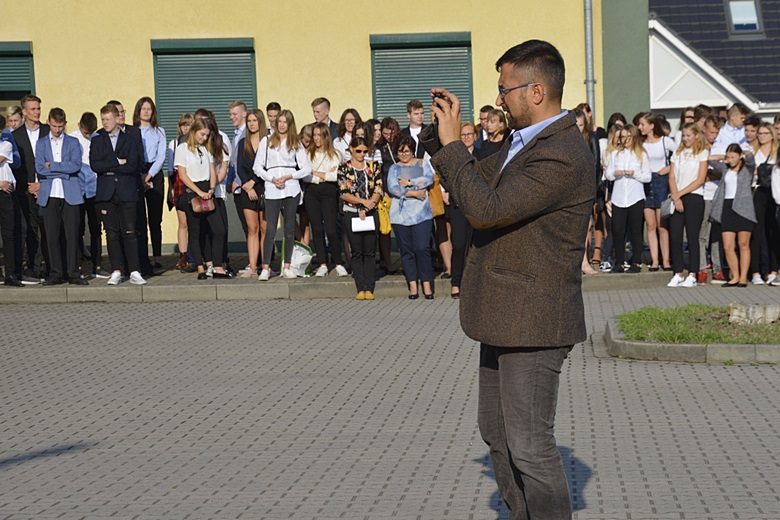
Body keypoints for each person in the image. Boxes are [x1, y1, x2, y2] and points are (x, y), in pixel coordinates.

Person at [425, 39, 595, 520]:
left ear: (536, 91)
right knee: (496, 433)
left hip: (535, 319)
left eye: (505, 90)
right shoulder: (524, 143)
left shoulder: (562, 153)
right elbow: (472, 181)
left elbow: (485, 208)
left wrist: (454, 147)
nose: (498, 99)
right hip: (503, 312)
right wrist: (444, 136)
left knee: (530, 447)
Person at [89, 104, 146, 286]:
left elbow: (133, 165)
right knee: (111, 233)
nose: (105, 123)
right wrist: (117, 162)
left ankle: (134, 270)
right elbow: (95, 165)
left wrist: (110, 166)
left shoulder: (130, 139)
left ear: (116, 119)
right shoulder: (97, 140)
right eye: (103, 119)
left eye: (108, 119)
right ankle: (116, 270)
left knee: (129, 231)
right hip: (106, 193)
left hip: (126, 191)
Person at [254, 109, 311, 281]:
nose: (282, 125)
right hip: (272, 188)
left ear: (290, 124)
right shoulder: (266, 141)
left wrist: (289, 176)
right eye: (280, 121)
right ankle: (265, 267)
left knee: (289, 228)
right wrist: (271, 178)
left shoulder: (295, 142)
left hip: (291, 188)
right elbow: (257, 167)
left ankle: (287, 266)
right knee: (270, 228)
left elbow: (306, 168)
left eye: (285, 122)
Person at [174, 118, 230, 280]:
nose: (204, 138)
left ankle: (217, 266)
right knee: (196, 231)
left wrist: (211, 188)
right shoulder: (182, 149)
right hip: (192, 191)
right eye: (202, 134)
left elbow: (212, 170)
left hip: (208, 190)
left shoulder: (205, 149)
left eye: (206, 135)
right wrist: (198, 191)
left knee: (219, 229)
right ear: (194, 131)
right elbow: (182, 175)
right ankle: (200, 266)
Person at [35, 108, 85, 286]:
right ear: (48, 122)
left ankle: (73, 272)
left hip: (70, 194)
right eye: (54, 126)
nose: (57, 130)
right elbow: (40, 168)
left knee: (72, 235)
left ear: (65, 124)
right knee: (52, 236)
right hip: (49, 194)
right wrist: (63, 170)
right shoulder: (41, 143)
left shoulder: (73, 142)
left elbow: (76, 166)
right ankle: (55, 273)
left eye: (60, 126)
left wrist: (53, 166)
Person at [386, 135, 435, 299]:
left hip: (422, 214)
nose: (404, 154)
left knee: (422, 248)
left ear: (412, 150)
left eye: (407, 151)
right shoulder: (394, 168)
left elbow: (428, 179)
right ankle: (413, 285)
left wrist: (408, 183)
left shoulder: (421, 163)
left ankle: (427, 284)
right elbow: (393, 188)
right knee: (407, 251)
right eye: (401, 151)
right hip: (400, 216)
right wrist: (414, 192)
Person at [338, 136, 382, 300]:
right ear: (351, 149)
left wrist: (369, 205)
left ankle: (369, 287)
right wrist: (362, 203)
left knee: (370, 251)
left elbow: (378, 188)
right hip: (351, 212)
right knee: (356, 251)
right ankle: (360, 287)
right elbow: (344, 193)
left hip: (371, 211)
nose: (362, 154)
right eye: (358, 151)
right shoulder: (343, 168)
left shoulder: (373, 166)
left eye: (365, 151)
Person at [12, 94, 50, 283]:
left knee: (49, 228)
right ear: (24, 112)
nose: (37, 112)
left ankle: (51, 267)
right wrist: (29, 185)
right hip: (25, 190)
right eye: (33, 109)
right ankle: (34, 267)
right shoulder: (16, 136)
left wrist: (42, 183)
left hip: (48, 187)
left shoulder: (48, 131)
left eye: (38, 108)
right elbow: (16, 165)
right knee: (31, 229)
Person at [667, 123, 709, 288]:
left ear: (696, 136)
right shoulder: (677, 153)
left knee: (692, 237)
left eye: (688, 135)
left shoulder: (702, 152)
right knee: (675, 236)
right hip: (677, 197)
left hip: (694, 197)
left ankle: (693, 273)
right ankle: (678, 272)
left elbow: (700, 179)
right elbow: (671, 176)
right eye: (683, 136)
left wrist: (680, 194)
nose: (685, 139)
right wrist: (676, 196)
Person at [709, 144, 756, 287]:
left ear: (740, 156)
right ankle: (735, 276)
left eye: (733, 157)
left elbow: (750, 158)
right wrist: (725, 158)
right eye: (728, 157)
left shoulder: (747, 168)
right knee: (728, 246)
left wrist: (743, 153)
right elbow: (710, 159)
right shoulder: (725, 168)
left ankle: (743, 277)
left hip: (743, 208)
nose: (730, 160)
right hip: (727, 207)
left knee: (743, 244)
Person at [605, 124, 651, 273]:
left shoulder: (641, 154)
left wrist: (634, 174)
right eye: (622, 137)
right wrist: (615, 173)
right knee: (618, 230)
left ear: (634, 137)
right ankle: (619, 262)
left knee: (635, 230)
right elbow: (608, 174)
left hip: (635, 197)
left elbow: (647, 177)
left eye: (628, 137)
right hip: (619, 198)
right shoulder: (615, 154)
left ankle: (636, 262)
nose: (625, 140)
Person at [305, 122, 347, 277]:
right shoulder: (307, 154)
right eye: (314, 135)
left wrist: (317, 173)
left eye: (320, 135)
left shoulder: (335, 154)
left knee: (331, 229)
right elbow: (305, 175)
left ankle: (338, 262)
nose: (317, 138)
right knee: (317, 229)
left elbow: (336, 176)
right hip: (312, 192)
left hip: (329, 192)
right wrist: (321, 176)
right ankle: (322, 263)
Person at [69, 112, 107, 278]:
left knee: (96, 229)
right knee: (78, 228)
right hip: (77, 189)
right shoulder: (71, 139)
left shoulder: (99, 138)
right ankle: (78, 265)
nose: (88, 136)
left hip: (95, 189)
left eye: (90, 133)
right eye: (86, 133)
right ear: (79, 125)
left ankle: (97, 265)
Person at [638, 112, 676, 272]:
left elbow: (678, 156)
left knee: (662, 225)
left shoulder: (665, 141)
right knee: (651, 225)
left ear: (652, 125)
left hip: (661, 182)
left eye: (643, 124)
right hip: (646, 183)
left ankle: (665, 260)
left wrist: (668, 168)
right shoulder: (640, 143)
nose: (640, 127)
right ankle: (654, 260)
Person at [133, 97, 166, 268]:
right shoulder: (132, 131)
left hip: (155, 173)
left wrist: (150, 175)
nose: (146, 112)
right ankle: (141, 257)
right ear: (138, 111)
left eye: (149, 109)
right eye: (143, 108)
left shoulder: (159, 131)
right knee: (139, 219)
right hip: (137, 172)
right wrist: (141, 175)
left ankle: (157, 257)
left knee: (155, 219)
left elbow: (161, 156)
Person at [235, 109, 268, 277]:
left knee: (264, 228)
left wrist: (253, 182)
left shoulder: (268, 141)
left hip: (265, 187)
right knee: (252, 228)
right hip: (247, 189)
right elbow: (239, 167)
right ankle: (253, 267)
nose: (251, 124)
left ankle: (265, 266)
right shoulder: (243, 143)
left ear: (260, 122)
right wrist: (247, 186)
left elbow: (267, 166)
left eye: (254, 120)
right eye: (249, 121)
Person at [750, 122, 780, 285]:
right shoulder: (753, 152)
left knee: (773, 231)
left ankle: (773, 270)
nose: (761, 136)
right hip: (758, 191)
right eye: (759, 133)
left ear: (772, 135)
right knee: (757, 232)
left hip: (774, 193)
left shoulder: (777, 151)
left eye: (765, 133)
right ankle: (756, 271)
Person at [167, 113, 194, 270]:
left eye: (189, 125)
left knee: (195, 222)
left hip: (194, 181)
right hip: (179, 183)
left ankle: (195, 254)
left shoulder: (197, 143)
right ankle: (183, 254)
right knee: (183, 222)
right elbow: (171, 169)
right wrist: (171, 189)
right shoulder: (174, 143)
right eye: (183, 125)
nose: (186, 128)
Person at [0, 114, 22, 286]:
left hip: (5, 194)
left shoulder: (6, 145)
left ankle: (10, 273)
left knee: (9, 234)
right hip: (3, 186)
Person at [377, 117, 401, 275]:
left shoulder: (401, 143)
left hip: (402, 189)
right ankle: (387, 262)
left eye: (391, 133)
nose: (388, 137)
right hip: (386, 190)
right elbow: (379, 171)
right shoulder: (379, 147)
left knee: (402, 229)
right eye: (385, 134)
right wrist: (383, 191)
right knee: (385, 229)